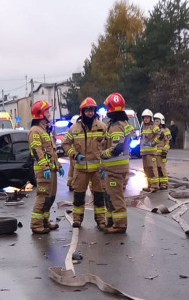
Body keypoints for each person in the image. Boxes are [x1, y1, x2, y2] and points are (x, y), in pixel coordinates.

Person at [62, 97, 108, 228]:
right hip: (81, 169)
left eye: (92, 110)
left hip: (98, 170)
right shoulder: (74, 129)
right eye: (87, 110)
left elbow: (107, 146)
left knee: (99, 196)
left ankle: (100, 220)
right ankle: (77, 219)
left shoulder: (102, 127)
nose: (90, 112)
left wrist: (105, 166)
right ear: (82, 112)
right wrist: (75, 155)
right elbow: (65, 144)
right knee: (78, 196)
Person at [99, 92, 133, 233]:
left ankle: (119, 225)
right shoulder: (119, 123)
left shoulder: (116, 126)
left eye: (107, 108)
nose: (106, 110)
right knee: (110, 196)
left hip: (115, 169)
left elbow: (117, 147)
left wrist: (103, 154)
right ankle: (111, 222)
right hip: (114, 168)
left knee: (116, 197)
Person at [28, 100, 62, 234]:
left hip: (51, 169)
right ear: (40, 114)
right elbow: (37, 151)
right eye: (47, 111)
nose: (49, 114)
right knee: (42, 196)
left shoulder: (44, 131)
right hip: (43, 171)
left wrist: (58, 166)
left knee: (50, 197)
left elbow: (51, 152)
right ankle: (36, 225)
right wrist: (45, 167)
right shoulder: (35, 131)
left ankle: (45, 222)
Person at [139, 109, 159, 192]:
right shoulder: (143, 127)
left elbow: (159, 135)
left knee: (152, 168)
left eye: (147, 118)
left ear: (150, 118)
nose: (145, 119)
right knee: (146, 169)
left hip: (151, 152)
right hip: (144, 152)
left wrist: (153, 143)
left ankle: (155, 186)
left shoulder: (153, 126)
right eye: (144, 118)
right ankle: (149, 184)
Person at [153, 113, 172, 190]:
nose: (155, 122)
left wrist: (165, 151)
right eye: (155, 121)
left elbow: (167, 142)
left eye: (157, 121)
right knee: (156, 169)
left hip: (161, 153)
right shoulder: (154, 130)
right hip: (154, 153)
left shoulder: (166, 130)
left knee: (162, 168)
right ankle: (159, 183)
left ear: (161, 121)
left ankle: (164, 184)